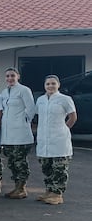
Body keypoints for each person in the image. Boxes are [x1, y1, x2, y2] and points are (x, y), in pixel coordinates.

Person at [35, 75, 77, 205]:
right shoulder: (41, 100)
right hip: (44, 139)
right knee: (46, 166)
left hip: (59, 139)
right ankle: (49, 191)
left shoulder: (65, 99)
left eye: (53, 83)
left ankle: (57, 194)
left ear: (58, 85)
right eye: (48, 84)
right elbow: (38, 117)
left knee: (59, 167)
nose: (50, 86)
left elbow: (73, 117)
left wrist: (64, 129)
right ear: (44, 85)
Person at [0, 67, 36, 199]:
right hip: (8, 135)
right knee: (12, 162)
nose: (10, 78)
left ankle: (22, 188)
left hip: (21, 133)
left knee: (20, 162)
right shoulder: (4, 92)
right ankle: (16, 186)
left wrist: (24, 121)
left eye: (12, 76)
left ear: (18, 76)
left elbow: (31, 109)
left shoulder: (24, 90)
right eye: (7, 76)